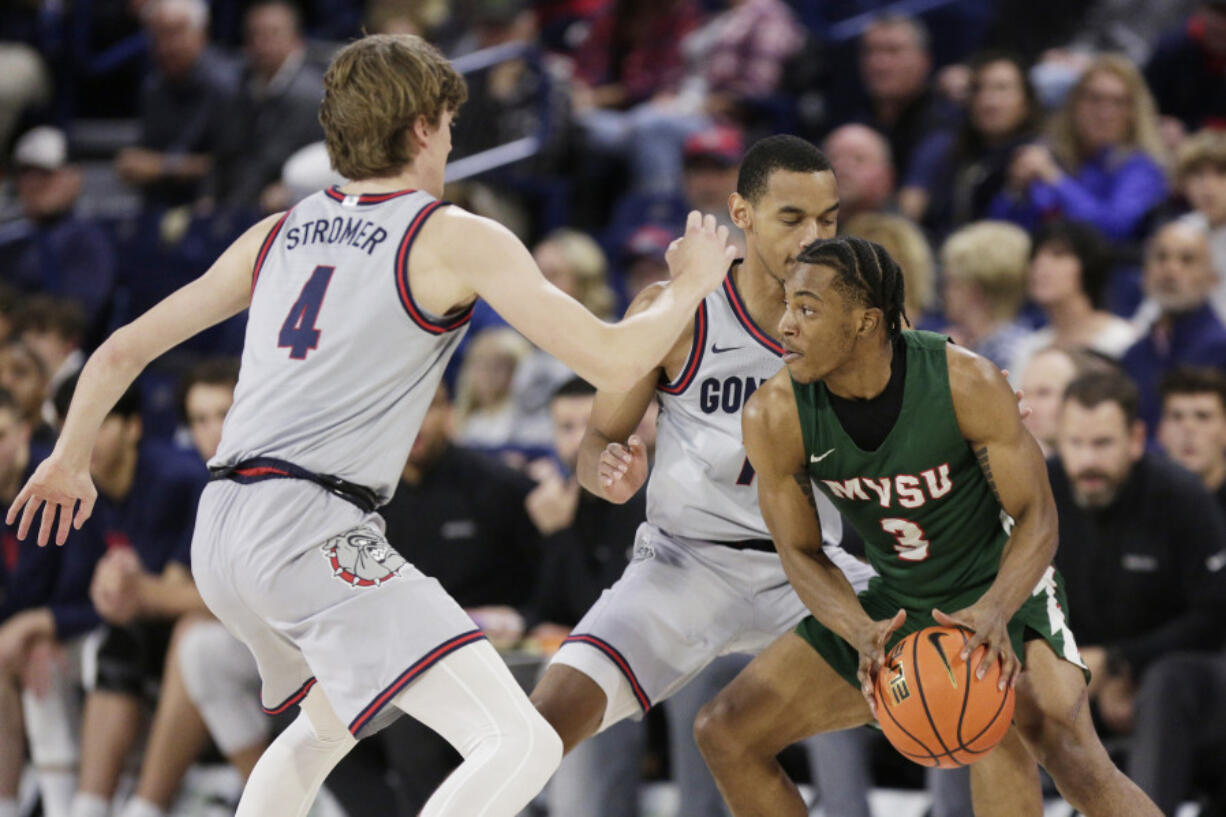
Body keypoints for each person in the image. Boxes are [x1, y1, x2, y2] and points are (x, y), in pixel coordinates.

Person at [6, 33, 732, 817]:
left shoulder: (279, 230)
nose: (452, 143)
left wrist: (68, 456)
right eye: (450, 125)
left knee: (326, 722)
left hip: (221, 528)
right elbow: (609, 357)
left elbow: (117, 351)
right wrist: (691, 285)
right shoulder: (449, 233)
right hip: (309, 525)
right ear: (422, 126)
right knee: (519, 742)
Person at [693, 235, 1162, 817]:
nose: (786, 324)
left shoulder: (966, 382)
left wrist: (994, 610)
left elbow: (1037, 517)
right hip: (896, 599)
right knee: (726, 731)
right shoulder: (775, 413)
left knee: (1063, 743)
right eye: (787, 305)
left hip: (1001, 584)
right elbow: (800, 551)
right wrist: (856, 628)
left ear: (865, 322)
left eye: (807, 309)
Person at [528, 135, 875, 806]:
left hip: (810, 569)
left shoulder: (859, 320)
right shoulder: (680, 307)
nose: (814, 236)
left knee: (982, 687)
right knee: (537, 728)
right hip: (684, 565)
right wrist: (608, 472)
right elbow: (599, 436)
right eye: (792, 218)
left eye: (828, 220)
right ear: (741, 213)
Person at [1050, 369, 1226, 736]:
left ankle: (1152, 797)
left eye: (1102, 444)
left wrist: (1122, 662)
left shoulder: (1181, 496)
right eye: (1075, 443)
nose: (1087, 461)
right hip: (1069, 671)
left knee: (1166, 682)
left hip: (1166, 675)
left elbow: (1213, 616)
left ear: (1136, 439)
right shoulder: (1040, 489)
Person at [520, 376, 648, 817]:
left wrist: (559, 536)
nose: (576, 441)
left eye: (585, 426)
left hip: (639, 656)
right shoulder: (557, 497)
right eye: (564, 427)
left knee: (580, 674)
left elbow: (608, 609)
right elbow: (545, 608)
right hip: (575, 647)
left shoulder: (641, 497)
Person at [0, 388, 106, 817]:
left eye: (1, 434)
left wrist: (40, 624)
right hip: (27, 635)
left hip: (91, 624)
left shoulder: (59, 484)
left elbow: (91, 595)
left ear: (23, 431)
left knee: (38, 656)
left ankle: (65, 806)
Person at [989, 54, 1168, 243]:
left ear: (1133, 113)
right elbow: (1000, 232)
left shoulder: (1142, 167)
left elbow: (1112, 229)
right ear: (1075, 103)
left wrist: (1055, 178)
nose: (1105, 113)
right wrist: (1015, 190)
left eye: (1119, 102)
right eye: (1095, 98)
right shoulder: (1050, 153)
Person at [899, 52, 1041, 243]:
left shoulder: (1038, 158)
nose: (988, 101)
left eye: (1002, 89)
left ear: (1026, 101)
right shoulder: (950, 151)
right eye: (979, 89)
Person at [204, 0, 325, 215]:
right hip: (240, 204)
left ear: (296, 39)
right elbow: (225, 153)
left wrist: (291, 189)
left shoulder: (310, 94)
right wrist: (207, 198)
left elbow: (273, 160)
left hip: (292, 205)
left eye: (272, 34)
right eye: (254, 35)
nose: (261, 43)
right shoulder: (240, 87)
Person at [114, 0, 237, 208]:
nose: (166, 46)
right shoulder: (153, 87)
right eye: (158, 36)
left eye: (175, 33)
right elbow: (142, 160)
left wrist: (163, 167)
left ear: (202, 34)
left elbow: (234, 164)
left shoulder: (228, 85)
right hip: (165, 205)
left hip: (219, 205)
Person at [1, 127, 116, 334]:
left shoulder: (87, 240)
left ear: (74, 178)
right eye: (25, 173)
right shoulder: (10, 240)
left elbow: (75, 320)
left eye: (46, 173)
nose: (33, 183)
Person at [1123, 219, 1226, 433]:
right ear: (1145, 272)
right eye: (1161, 258)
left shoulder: (1221, 349)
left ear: (1211, 277)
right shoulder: (1134, 355)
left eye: (1187, 260)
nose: (1170, 270)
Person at [1009, 220, 1137, 376]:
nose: (1040, 265)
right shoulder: (1028, 350)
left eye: (1058, 255)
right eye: (1035, 256)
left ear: (1088, 266)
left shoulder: (1123, 341)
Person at [938, 220, 1034, 371]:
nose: (945, 292)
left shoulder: (1011, 354)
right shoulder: (965, 342)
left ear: (975, 291)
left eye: (952, 282)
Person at [1174, 129, 1226, 319]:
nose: (1207, 186)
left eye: (1221, 174)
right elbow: (1157, 304)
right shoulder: (1181, 231)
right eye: (1197, 174)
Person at [823, 124, 896, 224]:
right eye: (834, 158)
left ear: (886, 176)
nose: (843, 168)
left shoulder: (903, 236)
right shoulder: (803, 233)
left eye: (858, 159)